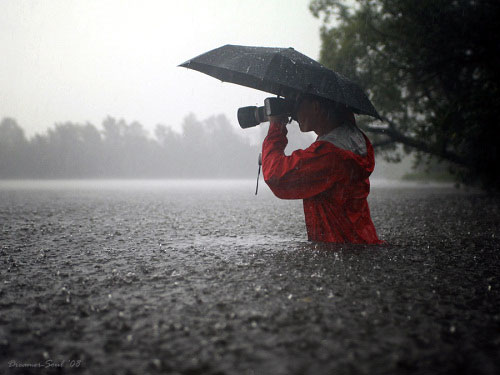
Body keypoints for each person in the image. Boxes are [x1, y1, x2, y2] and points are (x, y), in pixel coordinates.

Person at [262, 94, 383, 244]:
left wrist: (276, 125)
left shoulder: (329, 154)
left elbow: (276, 175)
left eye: (297, 104)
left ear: (316, 106)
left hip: (339, 251)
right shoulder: (350, 138)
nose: (294, 113)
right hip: (360, 243)